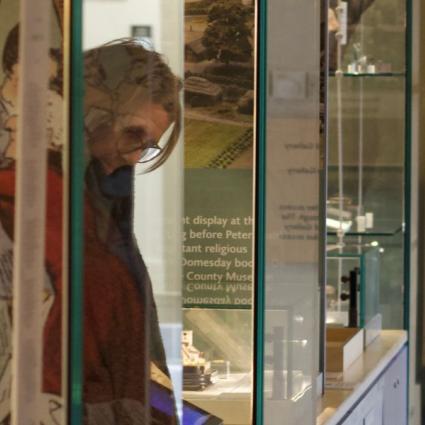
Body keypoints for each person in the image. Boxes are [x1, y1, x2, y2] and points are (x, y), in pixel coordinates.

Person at [0, 24, 182, 424]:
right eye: (133, 134)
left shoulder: (97, 205)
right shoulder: (39, 198)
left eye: (147, 145)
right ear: (93, 107)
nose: (135, 157)